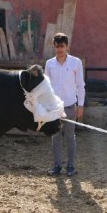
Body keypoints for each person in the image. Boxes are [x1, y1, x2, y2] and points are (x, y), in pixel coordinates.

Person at [45, 33, 86, 177]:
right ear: (54, 47)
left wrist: (80, 105)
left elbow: (80, 85)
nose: (59, 49)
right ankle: (57, 165)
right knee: (55, 136)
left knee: (70, 136)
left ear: (67, 46)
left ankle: (70, 165)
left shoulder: (76, 63)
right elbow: (47, 86)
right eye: (57, 46)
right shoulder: (49, 64)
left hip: (69, 105)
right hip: (54, 106)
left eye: (62, 46)